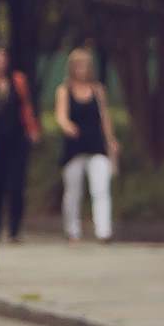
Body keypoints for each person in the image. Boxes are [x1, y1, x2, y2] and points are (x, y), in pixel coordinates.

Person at [55, 47, 121, 242]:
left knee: (101, 188)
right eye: (78, 65)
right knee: (73, 191)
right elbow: (60, 115)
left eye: (85, 65)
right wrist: (67, 126)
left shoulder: (97, 90)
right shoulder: (64, 90)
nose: (82, 69)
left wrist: (111, 141)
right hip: (74, 146)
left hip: (96, 143)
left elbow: (105, 117)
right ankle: (72, 230)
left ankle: (103, 230)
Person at [0, 46, 42, 243]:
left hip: (16, 138)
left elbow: (25, 106)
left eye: (3, 57)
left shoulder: (17, 80)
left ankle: (15, 229)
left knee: (16, 184)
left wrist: (32, 128)